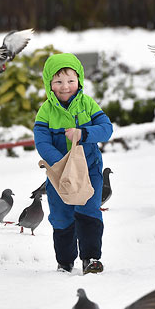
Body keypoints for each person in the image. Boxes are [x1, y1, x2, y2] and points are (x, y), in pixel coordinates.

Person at [34, 53, 113, 275]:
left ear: (79, 80)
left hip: (89, 170)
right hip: (59, 172)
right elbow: (41, 139)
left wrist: (84, 133)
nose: (65, 86)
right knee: (61, 216)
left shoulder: (87, 104)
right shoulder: (46, 111)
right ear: (49, 84)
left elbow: (107, 129)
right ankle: (65, 262)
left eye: (70, 80)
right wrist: (59, 163)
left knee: (88, 211)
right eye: (58, 82)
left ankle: (90, 258)